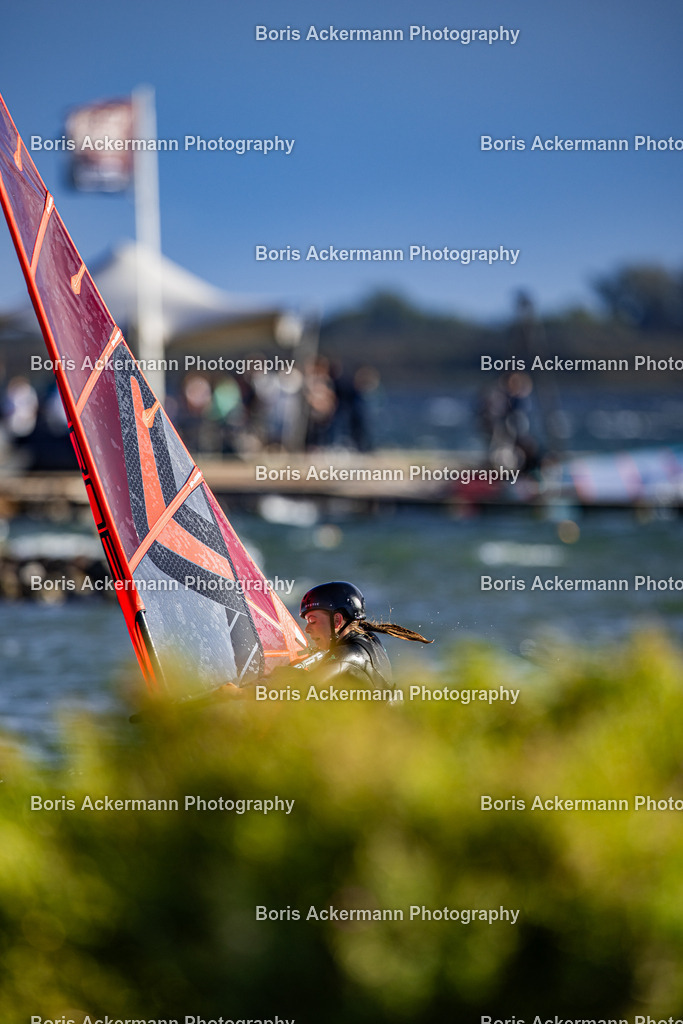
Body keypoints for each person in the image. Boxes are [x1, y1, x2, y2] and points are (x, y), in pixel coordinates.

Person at [296, 581, 431, 689]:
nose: (307, 629)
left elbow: (306, 686)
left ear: (337, 620)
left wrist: (284, 673)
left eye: (312, 621)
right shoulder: (368, 638)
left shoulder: (350, 653)